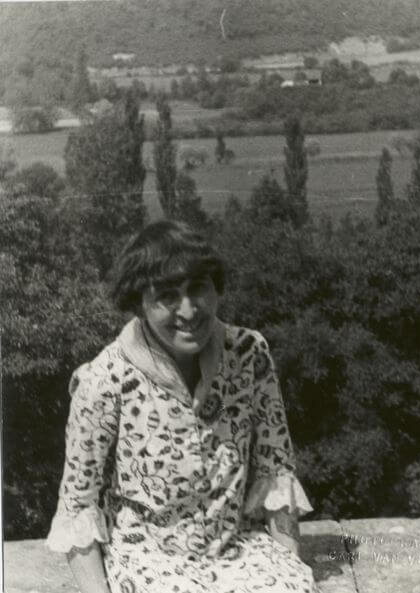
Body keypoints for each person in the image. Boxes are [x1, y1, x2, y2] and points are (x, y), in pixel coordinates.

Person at [46, 220, 317, 593]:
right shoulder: (105, 379)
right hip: (150, 560)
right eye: (167, 296)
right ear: (138, 304)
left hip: (236, 549)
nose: (188, 311)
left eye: (198, 288)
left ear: (215, 287)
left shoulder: (248, 354)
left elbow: (276, 470)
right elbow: (78, 505)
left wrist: (289, 570)